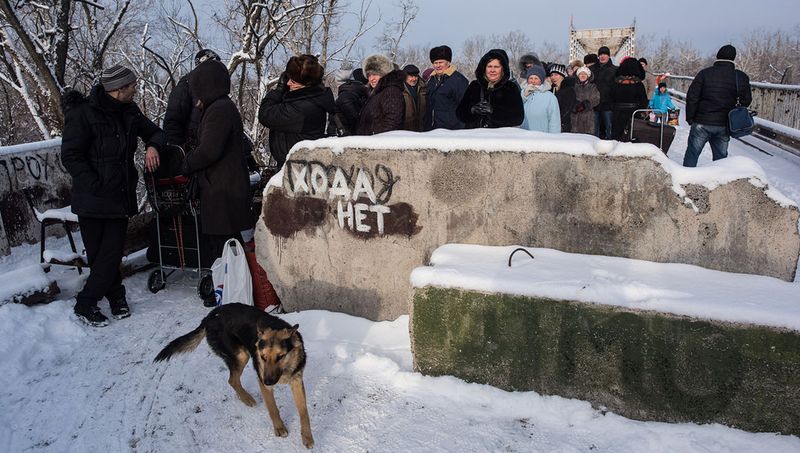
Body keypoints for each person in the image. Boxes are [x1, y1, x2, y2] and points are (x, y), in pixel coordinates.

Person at [61, 64, 164, 326]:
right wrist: (95, 184)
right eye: (132, 86)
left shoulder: (129, 111)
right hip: (92, 197)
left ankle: (95, 300)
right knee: (101, 256)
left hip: (119, 196)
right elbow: (71, 156)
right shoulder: (82, 113)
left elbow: (155, 132)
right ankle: (100, 300)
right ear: (118, 89)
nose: (135, 90)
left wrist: (152, 146)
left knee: (111, 253)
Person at [182, 59, 251, 302]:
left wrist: (186, 163)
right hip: (223, 186)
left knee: (224, 245)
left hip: (222, 189)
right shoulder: (219, 107)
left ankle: (230, 292)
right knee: (226, 243)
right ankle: (230, 290)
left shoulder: (218, 110)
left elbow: (210, 150)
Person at [259, 54, 335, 167]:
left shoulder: (301, 108)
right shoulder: (314, 98)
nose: (288, 83)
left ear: (307, 84)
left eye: (293, 81)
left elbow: (265, 114)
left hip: (296, 169)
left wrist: (279, 89)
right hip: (300, 165)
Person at [683, 44, 752, 167]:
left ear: (718, 56)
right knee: (721, 159)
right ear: (733, 58)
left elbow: (692, 97)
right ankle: (719, 182)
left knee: (692, 154)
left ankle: (685, 181)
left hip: (702, 121)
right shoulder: (740, 77)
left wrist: (691, 118)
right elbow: (746, 101)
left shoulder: (705, 74)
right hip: (724, 124)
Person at [163, 49, 220, 152]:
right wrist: (180, 152)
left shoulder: (217, 89)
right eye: (212, 65)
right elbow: (172, 122)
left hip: (214, 149)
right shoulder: (186, 86)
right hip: (194, 152)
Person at [456, 49, 524, 129]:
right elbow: (460, 113)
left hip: (499, 138)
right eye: (489, 66)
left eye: (496, 67)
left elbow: (518, 118)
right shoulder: (474, 86)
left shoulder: (510, 88)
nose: (492, 70)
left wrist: (493, 112)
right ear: (484, 68)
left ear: (503, 69)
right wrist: (472, 110)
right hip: (475, 137)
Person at [356, 54, 405, 135]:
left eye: (375, 74)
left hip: (380, 144)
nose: (372, 79)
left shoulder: (391, 91)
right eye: (369, 75)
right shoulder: (376, 93)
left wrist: (377, 140)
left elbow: (392, 122)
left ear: (384, 73)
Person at [425, 45, 469, 130]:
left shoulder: (459, 80)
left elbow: (465, 108)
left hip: (451, 131)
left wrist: (461, 130)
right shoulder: (431, 81)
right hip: (433, 130)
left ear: (448, 62)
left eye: (441, 62)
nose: (438, 66)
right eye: (435, 63)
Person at [611, 57, 648, 141]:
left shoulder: (616, 83)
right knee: (632, 136)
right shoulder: (638, 84)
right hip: (634, 113)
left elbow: (611, 97)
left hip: (618, 113)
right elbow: (643, 101)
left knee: (617, 137)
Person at [520, 65, 560, 133]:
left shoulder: (550, 97)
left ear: (541, 80)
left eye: (536, 78)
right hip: (524, 135)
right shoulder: (522, 93)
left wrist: (554, 138)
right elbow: (515, 110)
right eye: (531, 78)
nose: (533, 81)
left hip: (542, 137)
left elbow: (554, 120)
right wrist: (524, 96)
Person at [331, 68, 369, 136]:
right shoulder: (349, 96)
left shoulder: (348, 95)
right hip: (351, 138)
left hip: (351, 137)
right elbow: (357, 120)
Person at [591, 46, 617, 139]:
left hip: (608, 104)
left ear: (609, 56)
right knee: (594, 129)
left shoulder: (615, 70)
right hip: (594, 104)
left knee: (609, 128)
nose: (602, 56)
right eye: (601, 54)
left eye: (605, 54)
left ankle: (610, 146)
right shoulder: (592, 69)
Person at [571, 66, 601, 135]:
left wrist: (585, 105)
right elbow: (570, 98)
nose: (583, 76)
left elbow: (596, 99)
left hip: (588, 116)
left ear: (588, 76)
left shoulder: (592, 86)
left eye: (585, 74)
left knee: (587, 136)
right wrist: (574, 106)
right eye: (581, 74)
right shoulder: (574, 86)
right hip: (575, 117)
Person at [548, 63, 577, 132]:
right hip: (551, 124)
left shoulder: (569, 90)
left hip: (563, 125)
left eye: (556, 75)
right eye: (551, 75)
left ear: (562, 76)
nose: (553, 77)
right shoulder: (551, 90)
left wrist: (557, 120)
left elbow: (567, 109)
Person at [401, 64, 427, 132]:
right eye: (411, 76)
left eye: (416, 76)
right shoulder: (400, 89)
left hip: (421, 129)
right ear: (405, 76)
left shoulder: (423, 88)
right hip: (405, 130)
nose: (414, 79)